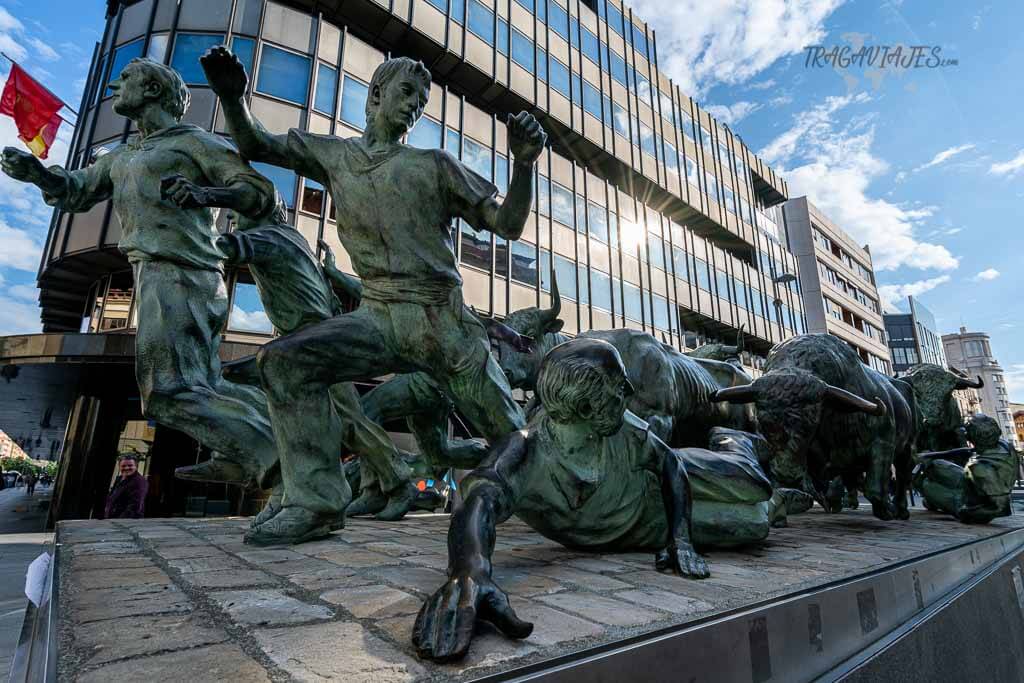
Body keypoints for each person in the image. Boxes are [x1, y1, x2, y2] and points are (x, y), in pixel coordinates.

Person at [201, 46, 546, 544]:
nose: (415, 106)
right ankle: (316, 501)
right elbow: (256, 143)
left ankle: (571, 500)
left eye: (422, 100)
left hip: (443, 321)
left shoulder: (435, 165)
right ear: (377, 95)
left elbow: (508, 223)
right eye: (407, 93)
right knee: (283, 362)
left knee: (517, 442)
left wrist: (524, 165)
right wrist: (233, 98)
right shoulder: (335, 156)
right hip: (379, 314)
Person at [0, 58, 281, 492]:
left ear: (153, 91)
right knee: (203, 384)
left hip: (185, 274)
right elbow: (76, 191)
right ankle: (288, 438)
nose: (116, 86)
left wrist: (206, 193)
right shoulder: (123, 156)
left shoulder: (193, 143)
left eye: (126, 79)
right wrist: (38, 173)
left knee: (168, 391)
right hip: (155, 272)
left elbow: (258, 192)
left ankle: (276, 460)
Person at [413, 338, 709, 662]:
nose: (629, 394)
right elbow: (478, 501)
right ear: (584, 409)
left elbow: (670, 462)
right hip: (638, 530)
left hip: (654, 501)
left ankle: (739, 446)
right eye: (620, 388)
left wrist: (681, 539)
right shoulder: (524, 450)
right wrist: (470, 570)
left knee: (752, 492)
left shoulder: (624, 427)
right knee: (748, 523)